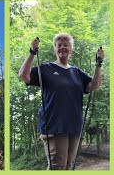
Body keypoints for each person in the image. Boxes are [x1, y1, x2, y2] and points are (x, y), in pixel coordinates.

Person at [18, 33, 104, 170]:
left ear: (71, 49)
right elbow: (24, 75)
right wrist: (32, 52)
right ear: (55, 49)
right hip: (54, 126)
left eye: (66, 45)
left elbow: (95, 85)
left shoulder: (76, 72)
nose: (62, 47)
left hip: (74, 126)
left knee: (68, 167)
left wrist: (99, 64)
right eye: (59, 45)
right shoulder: (46, 69)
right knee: (57, 168)